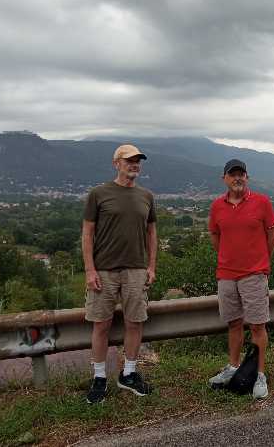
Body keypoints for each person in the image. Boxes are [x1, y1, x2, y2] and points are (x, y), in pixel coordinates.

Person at [82, 144, 157, 404]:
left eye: (138, 160)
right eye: (129, 160)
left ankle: (129, 373)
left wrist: (151, 266)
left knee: (134, 322)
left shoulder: (146, 196)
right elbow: (87, 233)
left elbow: (152, 233)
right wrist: (90, 269)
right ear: (116, 163)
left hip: (136, 270)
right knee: (101, 324)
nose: (134, 164)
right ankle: (99, 377)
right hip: (104, 270)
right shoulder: (99, 193)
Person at [207, 159, 274, 399]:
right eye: (232, 174)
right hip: (226, 275)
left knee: (258, 325)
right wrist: (228, 259)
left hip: (254, 275)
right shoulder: (217, 206)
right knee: (233, 323)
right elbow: (215, 237)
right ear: (224, 178)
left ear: (247, 177)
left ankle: (259, 375)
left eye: (241, 174)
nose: (237, 178)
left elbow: (272, 235)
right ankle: (234, 367)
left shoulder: (262, 202)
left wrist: (262, 263)